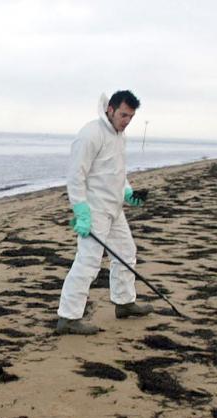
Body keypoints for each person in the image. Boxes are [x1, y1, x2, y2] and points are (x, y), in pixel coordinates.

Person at [56, 90, 153, 335]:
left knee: (126, 253)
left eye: (131, 117)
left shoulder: (120, 136)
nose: (126, 121)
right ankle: (68, 318)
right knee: (88, 262)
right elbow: (75, 176)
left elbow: (117, 172)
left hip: (114, 209)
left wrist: (128, 193)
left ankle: (124, 303)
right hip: (94, 210)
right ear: (110, 109)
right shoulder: (90, 134)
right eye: (123, 115)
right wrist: (80, 211)